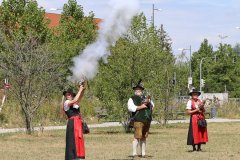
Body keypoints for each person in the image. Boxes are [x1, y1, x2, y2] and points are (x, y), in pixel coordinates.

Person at [127, 80, 154, 158]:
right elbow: (131, 108)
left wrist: (148, 102)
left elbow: (152, 106)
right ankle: (134, 154)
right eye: (136, 90)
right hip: (138, 120)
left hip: (147, 120)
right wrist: (141, 107)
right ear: (135, 91)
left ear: (142, 91)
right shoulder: (132, 98)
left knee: (144, 137)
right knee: (137, 137)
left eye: (139, 90)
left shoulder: (146, 98)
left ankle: (143, 154)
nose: (138, 91)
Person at [63, 83, 86, 160]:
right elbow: (76, 99)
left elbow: (79, 97)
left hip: (78, 123)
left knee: (78, 140)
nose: (68, 96)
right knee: (72, 141)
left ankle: (78, 157)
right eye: (67, 95)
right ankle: (72, 157)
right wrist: (80, 89)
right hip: (72, 124)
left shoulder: (75, 103)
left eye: (69, 94)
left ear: (72, 95)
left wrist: (82, 89)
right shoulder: (66, 103)